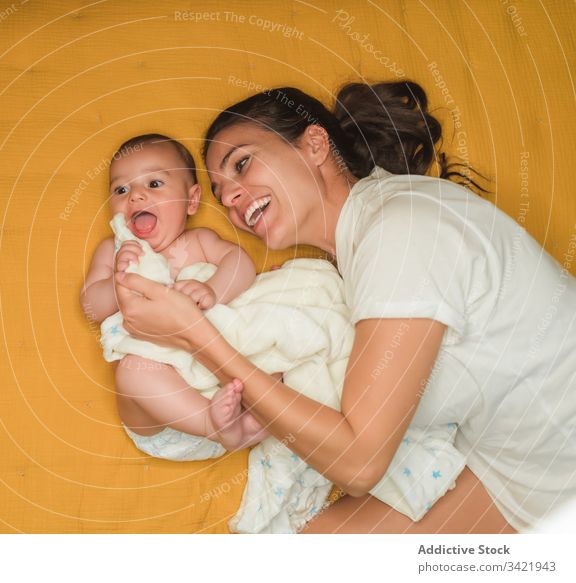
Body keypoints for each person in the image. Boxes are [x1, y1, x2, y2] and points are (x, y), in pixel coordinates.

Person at [113, 81, 576, 533]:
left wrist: (194, 335)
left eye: (243, 164)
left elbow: (358, 462)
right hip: (510, 468)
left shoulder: (401, 229)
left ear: (315, 143)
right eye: (219, 193)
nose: (232, 197)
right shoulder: (354, 254)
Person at [80, 134, 269, 453]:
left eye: (154, 184)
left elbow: (241, 264)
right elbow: (89, 306)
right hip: (162, 417)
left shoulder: (199, 242)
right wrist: (117, 281)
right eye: (121, 189)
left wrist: (213, 289)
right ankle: (214, 426)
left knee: (272, 327)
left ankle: (253, 419)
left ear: (192, 200)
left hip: (224, 385)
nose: (136, 197)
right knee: (133, 374)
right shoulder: (112, 252)